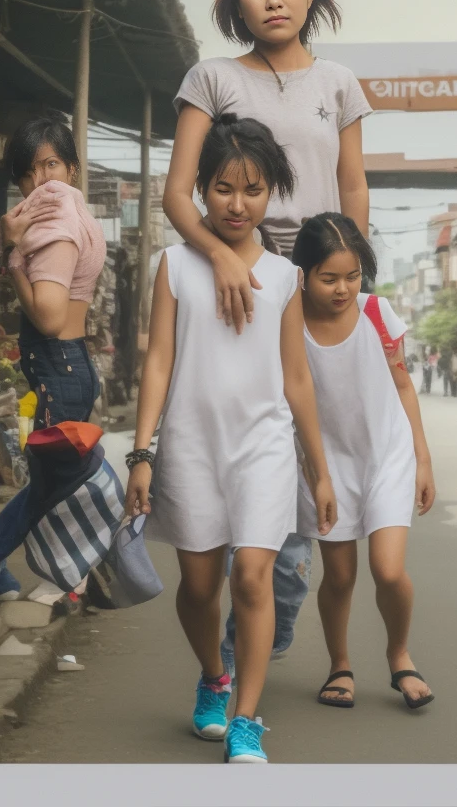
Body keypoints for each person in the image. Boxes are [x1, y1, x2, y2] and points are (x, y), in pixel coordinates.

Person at [161, 0, 373, 678]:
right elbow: (177, 191)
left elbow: (352, 190)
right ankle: (243, 609)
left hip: (313, 290)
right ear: (234, 5)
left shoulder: (339, 84)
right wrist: (222, 256)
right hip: (236, 284)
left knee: (309, 441)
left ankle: (271, 600)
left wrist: (349, 281)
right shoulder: (212, 78)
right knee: (239, 440)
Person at [124, 115, 337, 765]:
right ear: (202, 190)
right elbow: (158, 361)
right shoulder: (173, 266)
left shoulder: (283, 278)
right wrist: (141, 451)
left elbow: (297, 379)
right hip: (189, 446)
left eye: (252, 190)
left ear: (270, 192)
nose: (237, 204)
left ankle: (246, 717)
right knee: (197, 587)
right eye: (222, 188)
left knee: (252, 579)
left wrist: (319, 470)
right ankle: (212, 678)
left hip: (263, 449)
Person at [0, 114, 106, 600]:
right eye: (28, 173)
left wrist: (12, 255)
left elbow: (46, 316)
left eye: (51, 165)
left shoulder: (55, 227)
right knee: (55, 479)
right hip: (72, 366)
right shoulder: (78, 216)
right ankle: (76, 571)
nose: (40, 182)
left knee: (51, 484)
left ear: (73, 169)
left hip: (58, 365)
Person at [292, 213, 436, 711]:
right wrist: (317, 473)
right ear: (303, 274)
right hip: (326, 467)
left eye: (351, 276)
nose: (341, 289)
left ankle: (399, 654)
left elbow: (402, 385)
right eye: (328, 278)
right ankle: (340, 665)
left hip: (387, 456)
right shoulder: (290, 322)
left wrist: (422, 458)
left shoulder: (377, 313)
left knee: (389, 570)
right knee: (340, 577)